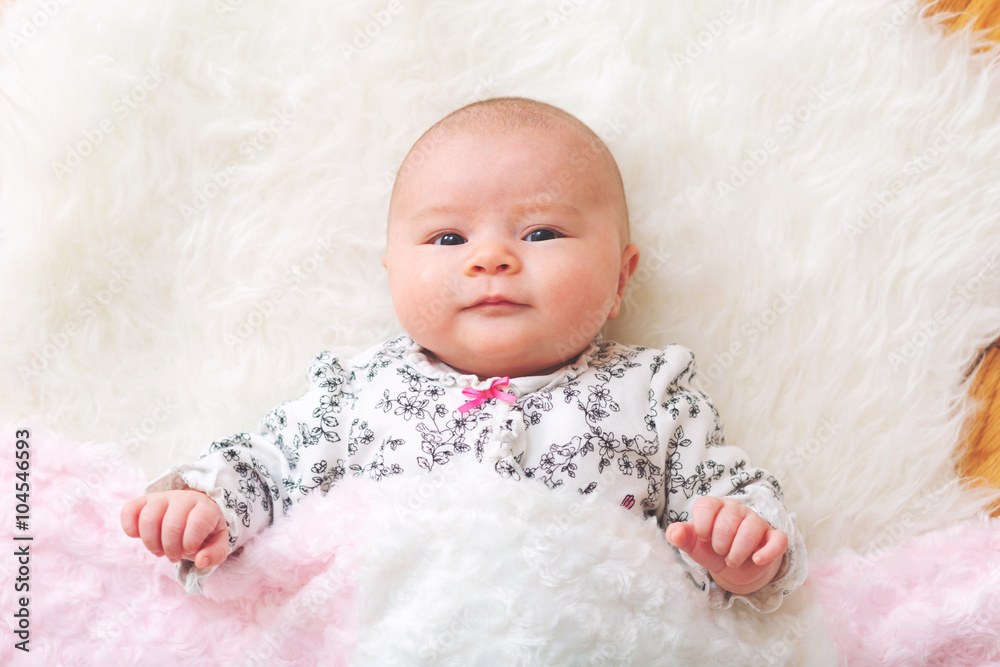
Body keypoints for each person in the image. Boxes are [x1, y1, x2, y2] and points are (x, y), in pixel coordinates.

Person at [121, 97, 806, 610]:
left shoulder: (650, 393)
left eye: (541, 231)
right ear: (392, 270)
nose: (491, 257)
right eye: (448, 239)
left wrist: (744, 549)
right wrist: (205, 504)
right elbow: (268, 464)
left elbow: (728, 495)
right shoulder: (358, 389)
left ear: (622, 277)